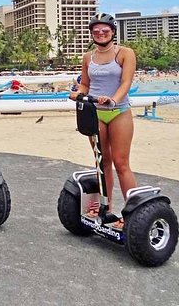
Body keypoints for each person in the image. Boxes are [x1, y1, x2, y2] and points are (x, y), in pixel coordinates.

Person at [69, 13, 137, 226]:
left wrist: (113, 100)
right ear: (91, 33)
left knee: (121, 163)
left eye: (105, 30)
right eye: (96, 30)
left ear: (113, 31)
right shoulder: (88, 57)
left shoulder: (125, 53)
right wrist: (78, 93)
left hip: (118, 111)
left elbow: (126, 82)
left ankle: (131, 213)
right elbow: (85, 84)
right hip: (94, 112)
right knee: (102, 161)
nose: (100, 33)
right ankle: (105, 207)